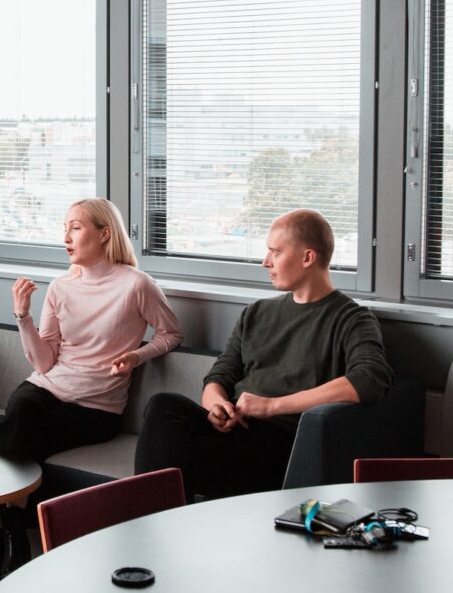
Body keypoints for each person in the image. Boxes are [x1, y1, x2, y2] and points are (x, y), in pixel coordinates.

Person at [0, 198, 182, 593]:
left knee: (2, 431)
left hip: (96, 408)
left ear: (104, 233)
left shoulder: (136, 285)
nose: (66, 237)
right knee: (21, 413)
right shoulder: (61, 287)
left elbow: (172, 334)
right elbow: (43, 364)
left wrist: (136, 355)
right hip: (47, 390)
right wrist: (22, 315)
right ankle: (10, 542)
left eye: (75, 227)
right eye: (64, 227)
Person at [134, 209, 393, 503]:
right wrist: (216, 406)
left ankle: (149, 523)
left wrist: (271, 406)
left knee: (171, 466)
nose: (265, 262)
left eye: (275, 252)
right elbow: (220, 375)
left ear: (307, 258)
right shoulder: (256, 313)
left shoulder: (352, 319)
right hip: (232, 429)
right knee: (164, 406)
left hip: (277, 442)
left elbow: (370, 379)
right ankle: (153, 520)